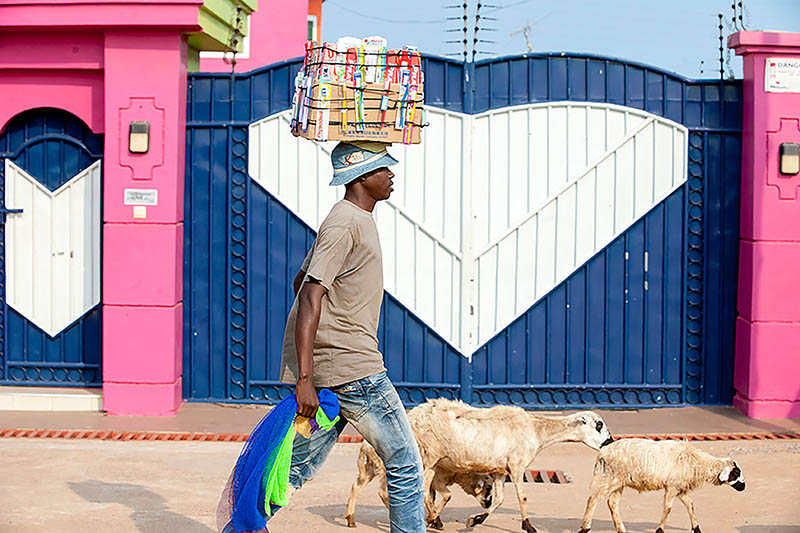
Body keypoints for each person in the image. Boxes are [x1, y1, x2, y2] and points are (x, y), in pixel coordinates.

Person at [277, 141, 425, 533]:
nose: (392, 175)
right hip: (356, 373)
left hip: (335, 371)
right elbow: (310, 294)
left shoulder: (348, 219)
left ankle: (242, 523)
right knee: (406, 465)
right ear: (361, 177)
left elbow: (302, 281)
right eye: (384, 169)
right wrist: (305, 382)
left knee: (295, 470)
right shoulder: (346, 222)